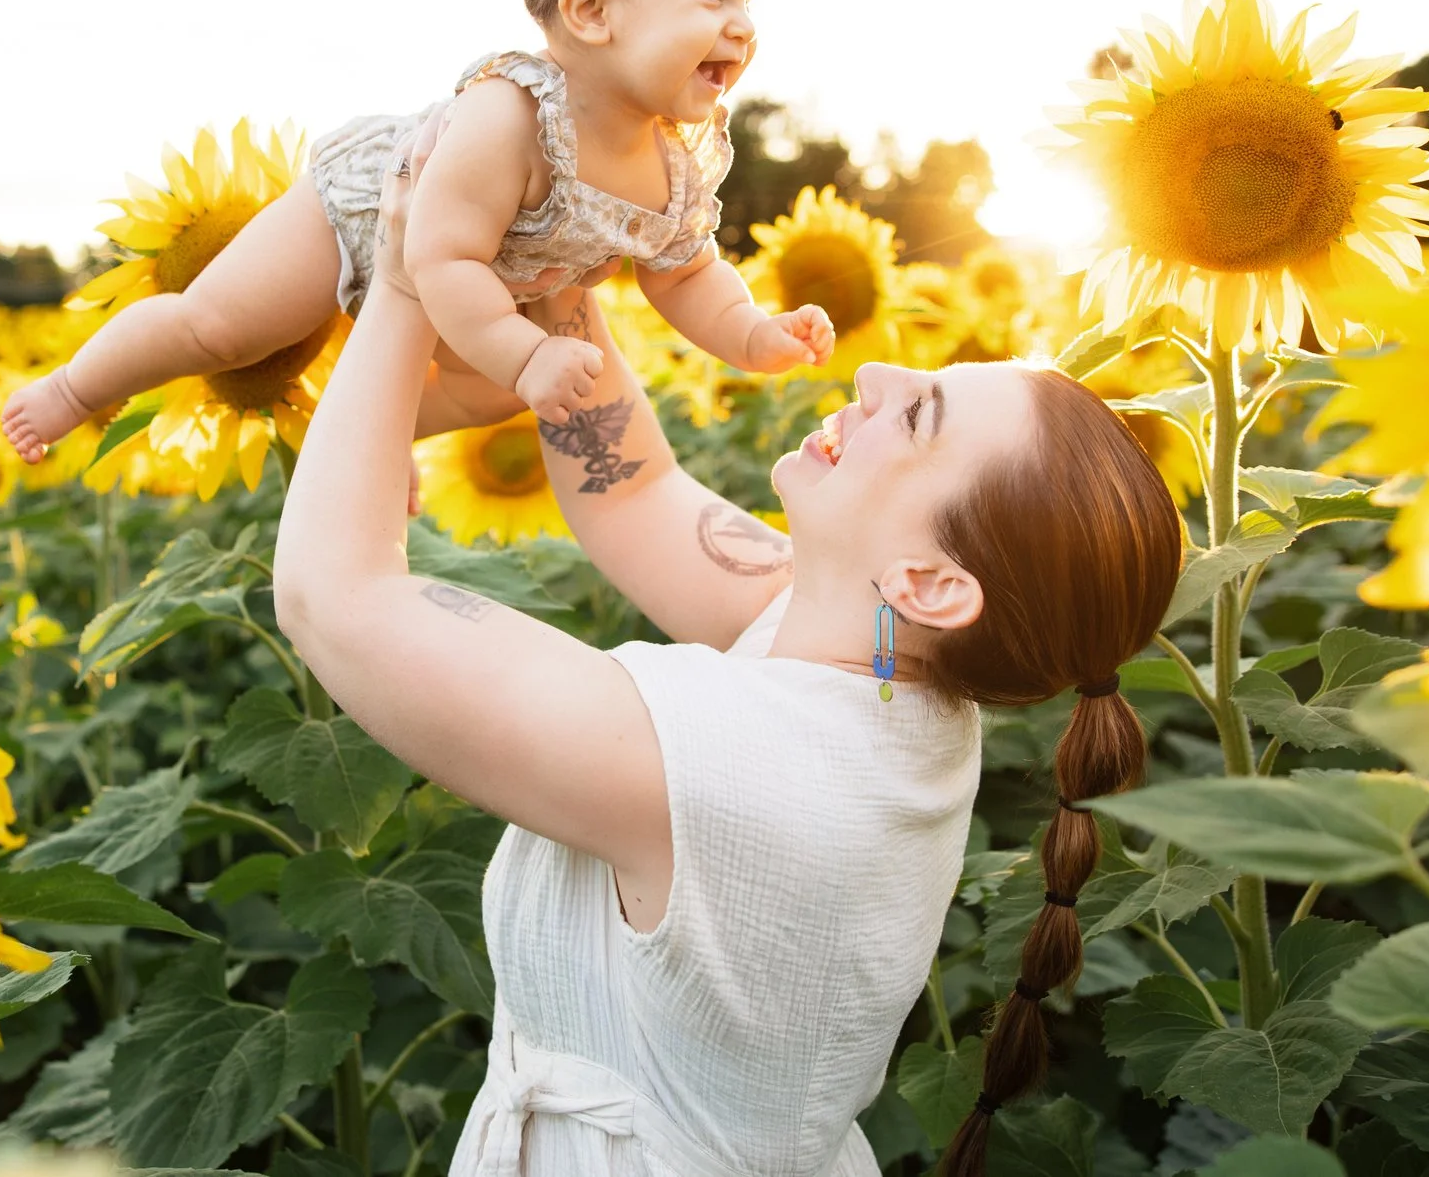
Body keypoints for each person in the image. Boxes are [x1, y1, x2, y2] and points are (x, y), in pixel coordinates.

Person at [272, 123, 1184, 1177]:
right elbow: (632, 488)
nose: (876, 369)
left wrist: (400, 275)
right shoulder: (885, 657)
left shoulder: (742, 768)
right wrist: (569, 232)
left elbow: (333, 596)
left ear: (932, 582)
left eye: (921, 414)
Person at [0, 0, 835, 464]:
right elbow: (440, 261)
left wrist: (751, 333)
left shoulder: (676, 162)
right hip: (362, 219)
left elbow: (684, 271)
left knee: (491, 396)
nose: (743, 23)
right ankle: (75, 386)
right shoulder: (509, 116)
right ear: (589, 10)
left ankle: (358, 440)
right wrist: (531, 348)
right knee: (220, 329)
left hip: (477, 290)